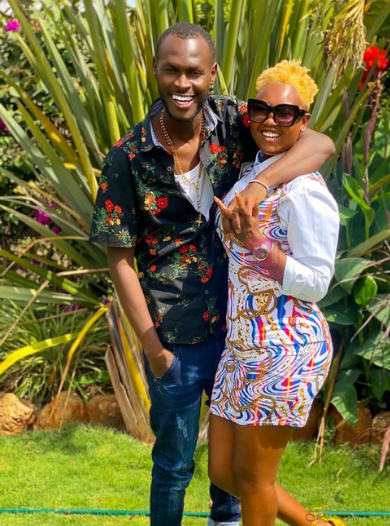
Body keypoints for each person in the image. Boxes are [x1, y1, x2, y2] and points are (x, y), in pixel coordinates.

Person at [89, 23, 335, 526]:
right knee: (174, 467)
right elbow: (119, 258)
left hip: (242, 333)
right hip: (175, 338)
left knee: (233, 480)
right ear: (155, 71)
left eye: (194, 72)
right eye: (172, 70)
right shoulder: (127, 157)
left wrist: (259, 186)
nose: (183, 83)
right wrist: (154, 350)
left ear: (212, 74)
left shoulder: (233, 120)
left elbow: (319, 142)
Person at [209, 61, 341, 526]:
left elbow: (317, 283)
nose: (270, 120)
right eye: (261, 109)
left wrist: (258, 246)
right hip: (242, 345)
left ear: (303, 122)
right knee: (223, 471)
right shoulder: (254, 170)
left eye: (285, 113)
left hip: (284, 346)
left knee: (254, 480)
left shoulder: (305, 193)